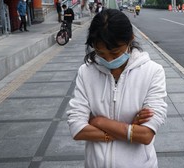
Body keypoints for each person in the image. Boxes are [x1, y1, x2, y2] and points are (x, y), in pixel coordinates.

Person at [67, 9, 167, 168]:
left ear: (130, 39)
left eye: (115, 53)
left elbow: (146, 134)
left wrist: (99, 121)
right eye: (100, 53)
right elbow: (77, 129)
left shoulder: (153, 72)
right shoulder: (86, 73)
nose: (108, 59)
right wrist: (129, 130)